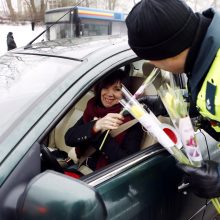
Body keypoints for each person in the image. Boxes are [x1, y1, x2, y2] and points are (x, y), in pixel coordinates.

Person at [125, 0, 220, 199]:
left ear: (168, 53)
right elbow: (211, 100)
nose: (156, 67)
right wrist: (167, 105)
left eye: (153, 61)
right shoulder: (205, 56)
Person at [65, 69, 143, 172]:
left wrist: (101, 136)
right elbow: (69, 138)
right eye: (105, 87)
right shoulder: (93, 108)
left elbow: (127, 163)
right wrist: (95, 126)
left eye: (117, 89)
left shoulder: (130, 120)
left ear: (125, 93)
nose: (110, 94)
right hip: (80, 165)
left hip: (103, 176)